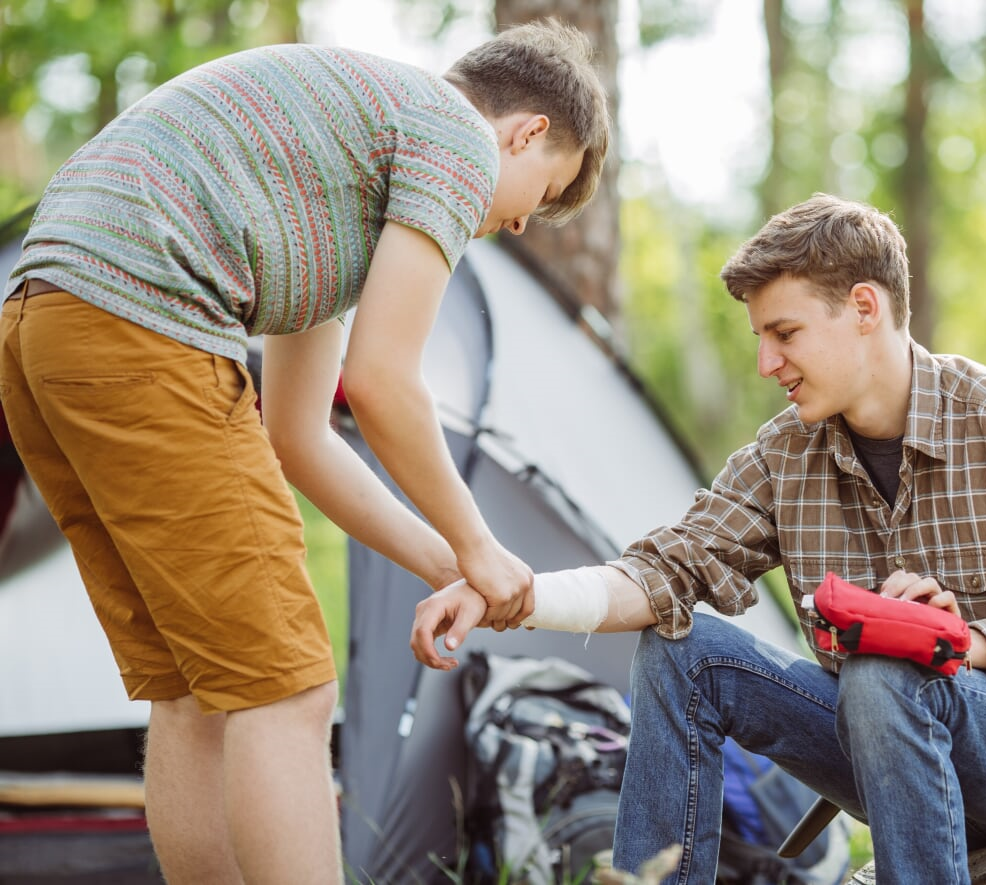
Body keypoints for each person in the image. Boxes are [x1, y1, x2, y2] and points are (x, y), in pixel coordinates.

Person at [0, 21, 609, 885]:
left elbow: (301, 437)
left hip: (44, 324)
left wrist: (450, 567)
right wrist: (481, 545)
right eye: (538, 193)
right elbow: (385, 384)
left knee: (198, 691)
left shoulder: (328, 185)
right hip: (142, 318)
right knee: (287, 689)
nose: (515, 224)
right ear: (527, 133)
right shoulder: (456, 133)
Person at [413, 194, 986, 884]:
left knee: (882, 670)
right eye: (760, 338)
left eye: (785, 333)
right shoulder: (784, 455)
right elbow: (664, 570)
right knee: (684, 652)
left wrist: (961, 641)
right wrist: (514, 593)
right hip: (883, 747)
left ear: (864, 307)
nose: (767, 362)